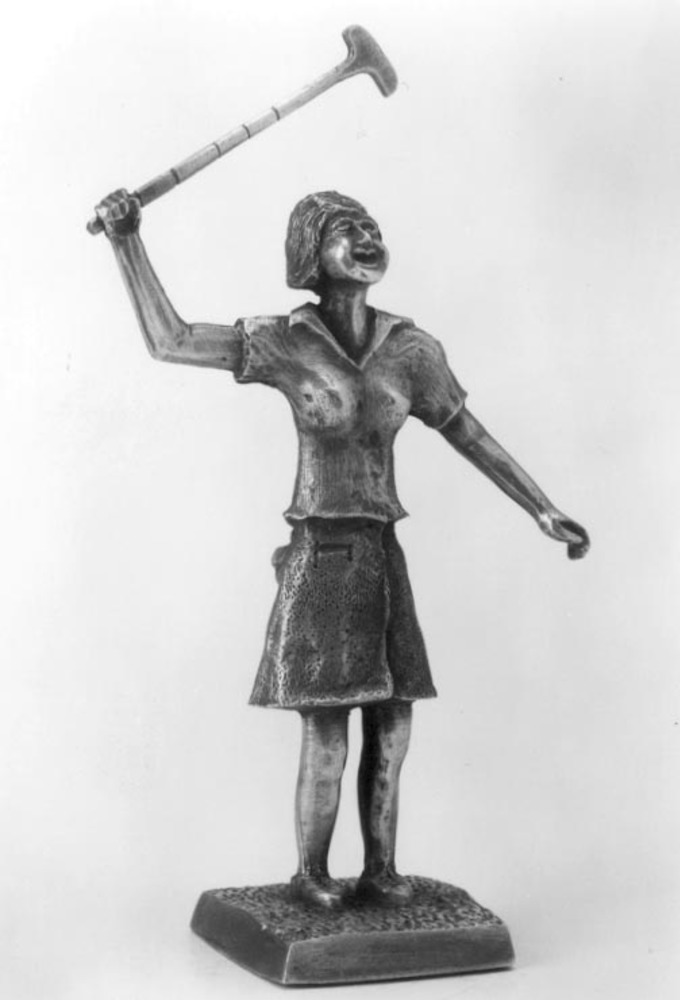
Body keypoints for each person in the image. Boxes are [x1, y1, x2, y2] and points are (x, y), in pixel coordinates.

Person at [94, 188, 590, 910]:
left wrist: (541, 506)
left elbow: (468, 432)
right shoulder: (285, 340)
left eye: (372, 226)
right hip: (321, 553)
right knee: (327, 724)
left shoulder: (411, 349)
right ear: (310, 252)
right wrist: (127, 241)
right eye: (345, 229)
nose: (366, 238)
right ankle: (312, 874)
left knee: (393, 722)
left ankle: (381, 870)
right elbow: (171, 340)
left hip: (382, 551)